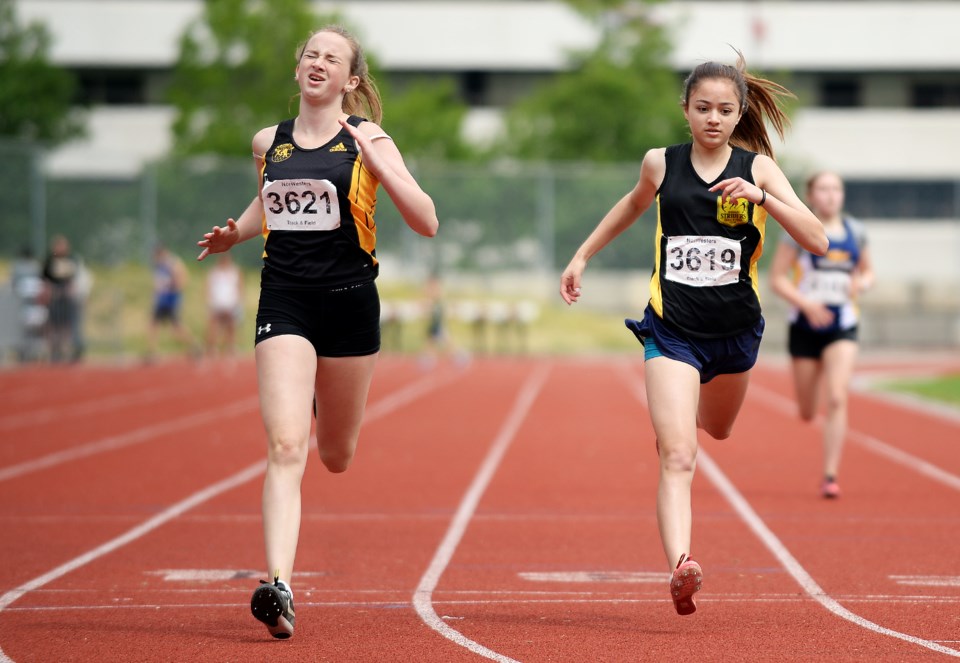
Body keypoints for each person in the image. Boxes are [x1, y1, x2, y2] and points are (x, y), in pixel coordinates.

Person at [559, 52, 828, 616]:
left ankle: (680, 416)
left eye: (724, 110)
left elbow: (818, 240)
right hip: (672, 327)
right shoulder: (661, 163)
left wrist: (764, 199)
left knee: (718, 429)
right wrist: (581, 256)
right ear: (685, 110)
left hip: (734, 333)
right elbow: (630, 207)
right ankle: (681, 564)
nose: (712, 118)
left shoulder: (759, 170)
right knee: (679, 455)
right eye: (702, 107)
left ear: (738, 114)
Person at [196, 25, 438, 639]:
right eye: (311, 54)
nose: (318, 63)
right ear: (299, 68)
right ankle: (278, 584)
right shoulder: (267, 142)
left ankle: (318, 397)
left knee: (335, 454)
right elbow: (267, 203)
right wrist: (235, 233)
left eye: (333, 58)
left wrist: (384, 163)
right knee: (285, 446)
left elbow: (427, 221)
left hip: (351, 304)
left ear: (351, 80)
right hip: (285, 299)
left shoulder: (368, 139)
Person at [769, 171, 874, 499]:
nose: (830, 195)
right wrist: (807, 304)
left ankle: (830, 474)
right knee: (806, 410)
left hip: (842, 322)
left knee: (837, 396)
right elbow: (777, 278)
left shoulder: (856, 232)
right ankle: (811, 406)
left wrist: (863, 283)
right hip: (804, 325)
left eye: (836, 189)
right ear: (811, 196)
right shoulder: (797, 233)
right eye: (823, 190)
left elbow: (868, 271)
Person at [147, 244, 197, 361]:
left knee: (176, 328)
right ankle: (152, 351)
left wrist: (174, 289)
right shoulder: (159, 265)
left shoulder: (172, 263)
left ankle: (194, 346)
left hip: (170, 299)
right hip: (162, 299)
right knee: (153, 324)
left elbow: (181, 278)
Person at [40, 235, 81, 363]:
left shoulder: (71, 260)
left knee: (66, 323)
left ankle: (65, 350)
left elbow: (73, 278)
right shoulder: (50, 260)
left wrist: (71, 291)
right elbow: (45, 278)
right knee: (53, 324)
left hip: (66, 296)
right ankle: (53, 351)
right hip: (54, 296)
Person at [204, 252, 243, 358]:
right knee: (214, 327)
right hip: (217, 304)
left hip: (231, 303)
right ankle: (212, 348)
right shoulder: (214, 272)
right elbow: (209, 287)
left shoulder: (234, 271)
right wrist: (210, 302)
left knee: (231, 327)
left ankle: (230, 348)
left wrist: (237, 302)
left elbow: (239, 287)